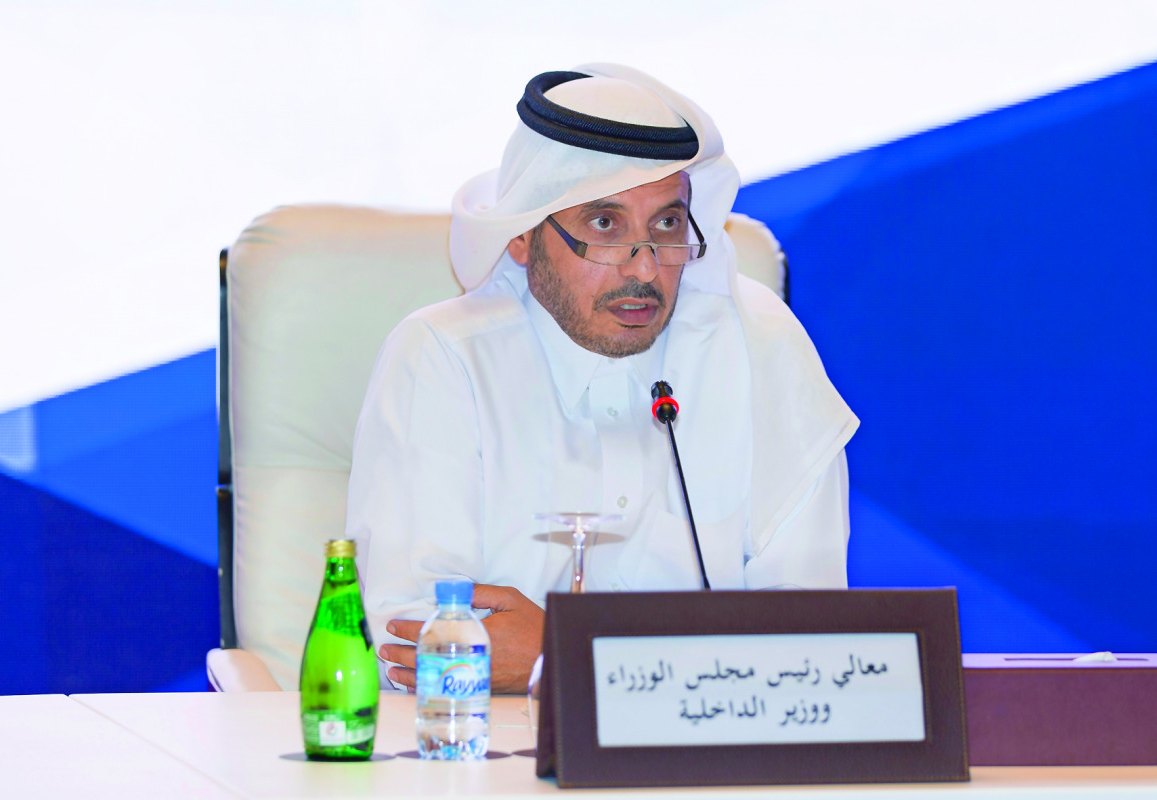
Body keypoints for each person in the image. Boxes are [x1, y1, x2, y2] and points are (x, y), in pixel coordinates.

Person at [344, 65, 858, 693]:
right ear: (524, 239)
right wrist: (666, 664)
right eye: (605, 225)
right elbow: (415, 644)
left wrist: (562, 657)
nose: (643, 267)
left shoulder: (760, 347)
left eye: (667, 225)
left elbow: (811, 638)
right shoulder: (446, 360)